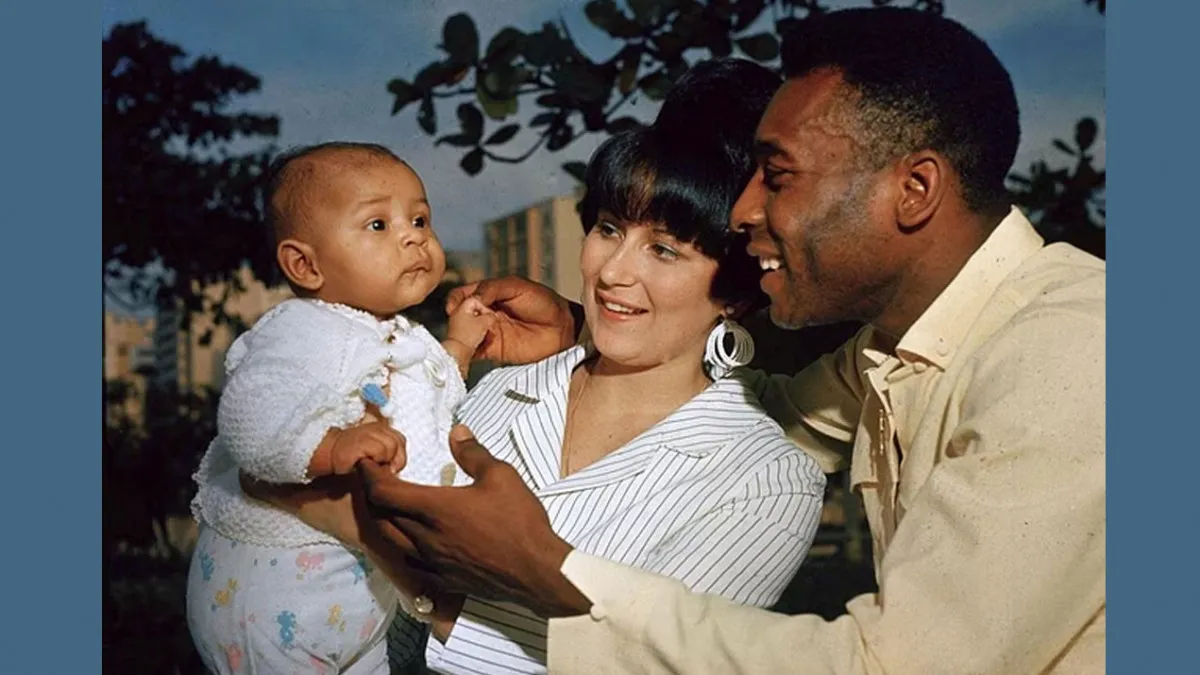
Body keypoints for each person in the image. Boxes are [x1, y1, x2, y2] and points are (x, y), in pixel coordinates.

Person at [353, 8, 1106, 675]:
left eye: (777, 176)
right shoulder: (895, 349)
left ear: (913, 190)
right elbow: (751, 408)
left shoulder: (1074, 351)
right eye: (610, 229)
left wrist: (548, 567)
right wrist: (593, 326)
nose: (744, 210)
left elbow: (887, 664)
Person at [247, 59, 829, 675]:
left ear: (735, 294)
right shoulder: (498, 391)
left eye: (663, 249)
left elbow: (662, 666)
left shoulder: (767, 480)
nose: (612, 272)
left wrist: (402, 565)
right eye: (609, 228)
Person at [185, 142, 495, 674]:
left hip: (357, 595)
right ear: (304, 264)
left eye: (420, 218)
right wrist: (330, 447)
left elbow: (424, 404)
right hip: (274, 594)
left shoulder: (399, 335)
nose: (413, 235)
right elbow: (249, 414)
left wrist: (459, 348)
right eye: (378, 224)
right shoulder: (300, 331)